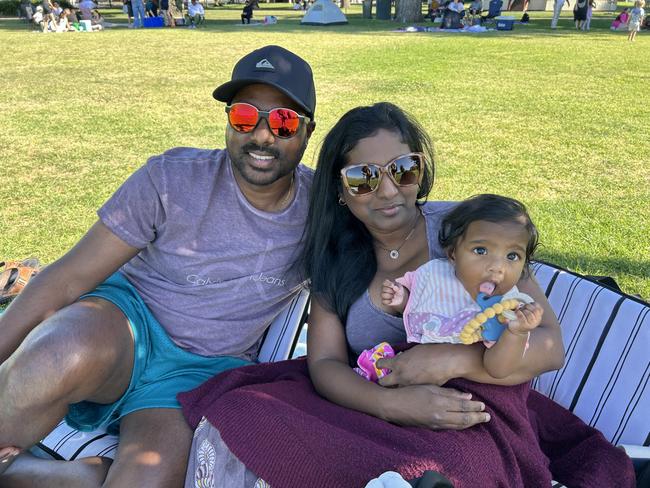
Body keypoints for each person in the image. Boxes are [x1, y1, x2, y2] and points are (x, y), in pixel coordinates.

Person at [179, 102, 634, 487]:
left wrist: (453, 361)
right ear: (339, 188)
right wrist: (392, 404)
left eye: (404, 169)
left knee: (447, 471)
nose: (388, 190)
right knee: (245, 412)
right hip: (376, 407)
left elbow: (550, 346)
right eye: (363, 177)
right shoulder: (336, 258)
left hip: (471, 408)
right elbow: (324, 363)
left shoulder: (465, 232)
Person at [0, 45, 316, 487]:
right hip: (124, 325)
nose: (262, 136)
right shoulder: (171, 178)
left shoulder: (323, 209)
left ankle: (80, 477)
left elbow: (411, 222)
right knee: (55, 355)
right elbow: (68, 277)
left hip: (197, 375)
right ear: (228, 121)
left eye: (283, 122)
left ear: (307, 132)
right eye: (245, 116)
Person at [372, 194, 543, 383]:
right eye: (480, 251)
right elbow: (421, 306)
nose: (497, 266)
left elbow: (499, 370)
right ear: (453, 254)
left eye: (512, 256)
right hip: (417, 371)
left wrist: (516, 333)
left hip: (478, 388)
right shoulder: (435, 275)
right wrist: (403, 299)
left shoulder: (509, 309)